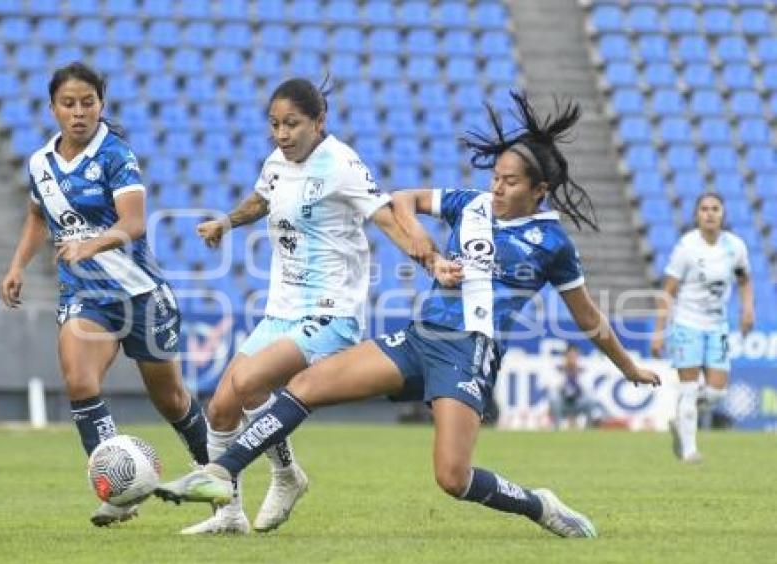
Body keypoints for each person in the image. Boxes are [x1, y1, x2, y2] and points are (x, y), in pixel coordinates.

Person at [155, 91, 661, 538]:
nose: (498, 187)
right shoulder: (472, 204)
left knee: (452, 479)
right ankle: (220, 474)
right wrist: (423, 245)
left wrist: (628, 367)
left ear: (539, 190)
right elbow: (402, 200)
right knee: (305, 386)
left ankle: (538, 504)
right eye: (496, 176)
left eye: (509, 181)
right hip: (420, 337)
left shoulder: (552, 243)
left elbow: (588, 316)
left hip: (468, 353)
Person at [175, 77, 424, 535]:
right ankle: (231, 514)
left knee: (250, 380)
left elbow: (386, 217)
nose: (282, 134)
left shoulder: (342, 164)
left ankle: (284, 476)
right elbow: (262, 199)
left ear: (319, 121)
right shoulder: (277, 161)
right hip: (283, 308)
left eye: (292, 124)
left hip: (331, 310)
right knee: (222, 406)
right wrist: (226, 223)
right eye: (274, 124)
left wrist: (429, 258)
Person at [0, 62, 212, 526]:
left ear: (102, 104)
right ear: (52, 108)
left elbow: (133, 223)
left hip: (139, 294)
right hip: (85, 295)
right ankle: (119, 492)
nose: (79, 112)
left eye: (87, 102)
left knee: (171, 398)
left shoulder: (116, 155)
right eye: (68, 103)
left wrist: (90, 244)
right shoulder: (41, 163)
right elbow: (38, 216)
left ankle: (212, 469)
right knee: (79, 380)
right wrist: (17, 266)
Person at [651, 192, 753, 463]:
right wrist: (659, 331)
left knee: (716, 392)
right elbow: (668, 290)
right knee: (688, 387)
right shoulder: (686, 247)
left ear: (723, 214)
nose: (709, 213)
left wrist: (747, 310)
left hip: (717, 325)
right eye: (704, 209)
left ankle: (681, 417)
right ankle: (688, 451)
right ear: (697, 215)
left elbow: (744, 279)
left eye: (715, 209)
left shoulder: (735, 247)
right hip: (687, 322)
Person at [548, 343, 608, 429]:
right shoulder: (558, 370)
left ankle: (588, 428)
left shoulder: (583, 371)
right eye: (569, 356)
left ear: (577, 357)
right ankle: (557, 428)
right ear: (565, 357)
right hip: (562, 402)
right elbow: (553, 388)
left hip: (578, 403)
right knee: (553, 398)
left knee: (591, 399)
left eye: (574, 356)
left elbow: (588, 390)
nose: (572, 359)